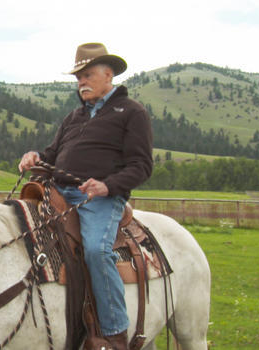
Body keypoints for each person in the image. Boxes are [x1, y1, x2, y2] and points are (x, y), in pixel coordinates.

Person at [18, 43, 153, 349]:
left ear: (109, 74)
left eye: (87, 74)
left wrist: (107, 186)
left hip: (99, 199)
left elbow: (142, 166)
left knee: (95, 250)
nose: (81, 82)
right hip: (57, 190)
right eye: (78, 76)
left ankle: (115, 333)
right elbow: (52, 154)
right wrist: (35, 156)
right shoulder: (75, 116)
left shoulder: (132, 112)